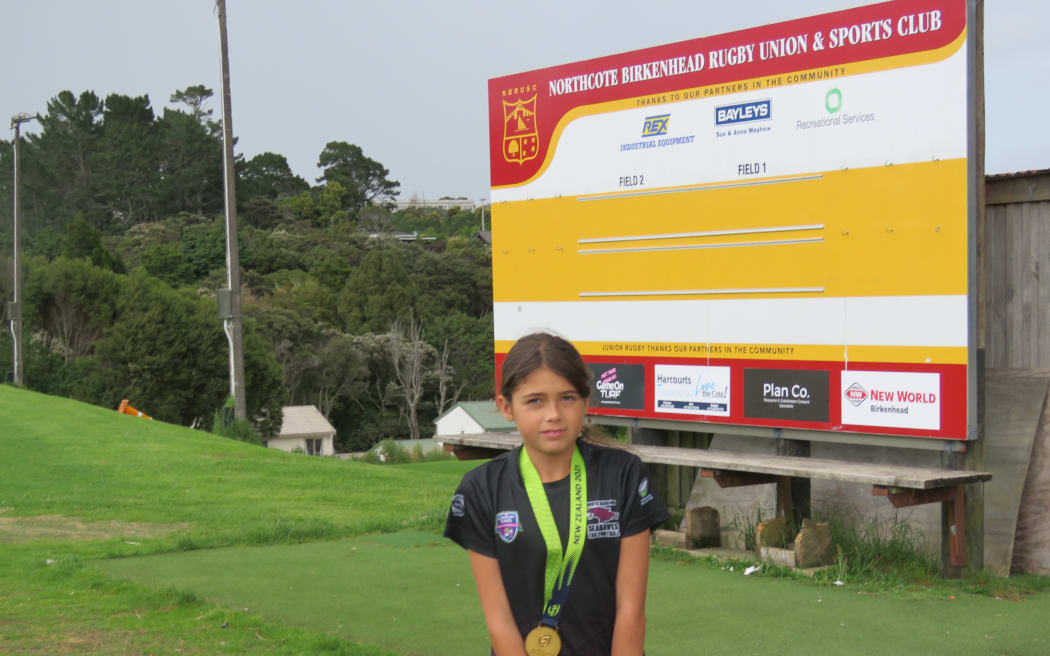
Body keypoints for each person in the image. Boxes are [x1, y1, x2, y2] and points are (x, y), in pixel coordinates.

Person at [444, 332, 669, 655]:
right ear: (506, 407)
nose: (553, 414)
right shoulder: (481, 489)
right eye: (535, 400)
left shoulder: (624, 475)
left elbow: (631, 611)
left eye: (567, 398)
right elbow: (498, 621)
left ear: (585, 401)